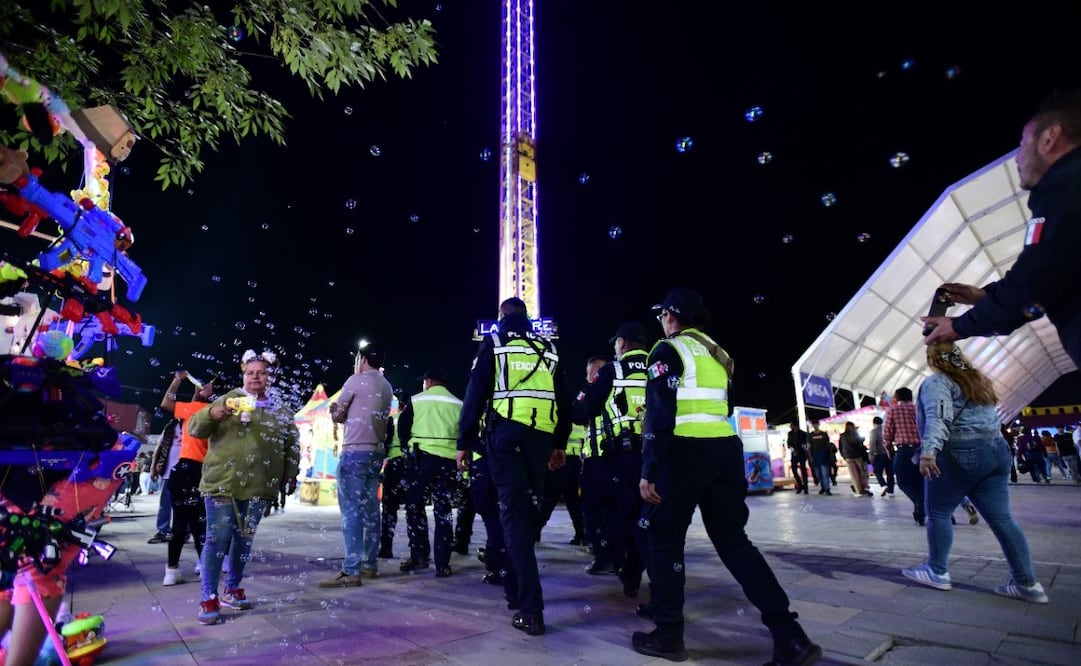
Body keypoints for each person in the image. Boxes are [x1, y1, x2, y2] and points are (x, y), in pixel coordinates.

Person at [633, 288, 820, 665]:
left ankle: (669, 635)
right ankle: (790, 637)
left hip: (683, 453)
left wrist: (650, 469)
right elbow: (725, 407)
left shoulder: (668, 350)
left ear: (671, 315)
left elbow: (659, 413)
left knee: (665, 540)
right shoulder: (719, 354)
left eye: (662, 316)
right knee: (735, 543)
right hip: (724, 452)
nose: (661, 322)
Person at [922, 89, 1081, 369]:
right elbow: (1055, 273)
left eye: (1022, 143)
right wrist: (984, 296)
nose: (1018, 158)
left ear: (1049, 137)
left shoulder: (1067, 187)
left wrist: (958, 326)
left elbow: (1033, 284)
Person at [456, 297, 572, 637]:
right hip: (538, 441)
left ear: (502, 317)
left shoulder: (494, 343)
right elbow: (563, 401)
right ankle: (514, 590)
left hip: (506, 437)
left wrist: (463, 443)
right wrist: (559, 444)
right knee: (524, 512)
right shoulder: (547, 347)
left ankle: (530, 608)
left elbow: (475, 394)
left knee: (513, 516)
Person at [901, 342, 1048, 604]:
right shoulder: (978, 380)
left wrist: (928, 452)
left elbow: (939, 417)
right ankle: (1028, 583)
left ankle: (936, 570)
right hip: (996, 451)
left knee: (938, 512)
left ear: (934, 359)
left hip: (960, 450)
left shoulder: (938, 382)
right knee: (1003, 519)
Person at [187, 350, 300, 625]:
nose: (256, 377)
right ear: (243, 375)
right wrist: (213, 413)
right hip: (222, 483)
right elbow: (194, 428)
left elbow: (291, 446)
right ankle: (208, 596)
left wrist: (290, 473)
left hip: (259, 486)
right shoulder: (228, 400)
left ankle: (232, 588)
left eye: (262, 372)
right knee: (216, 539)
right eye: (250, 372)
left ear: (270, 377)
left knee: (243, 541)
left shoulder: (281, 411)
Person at [573, 321, 651, 599]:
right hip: (659, 456)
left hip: (623, 458)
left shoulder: (613, 371)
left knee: (624, 518)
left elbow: (582, 413)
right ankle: (642, 575)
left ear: (623, 343)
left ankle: (629, 574)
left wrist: (589, 388)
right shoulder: (660, 365)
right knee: (652, 519)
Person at [319, 343, 393, 587]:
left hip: (355, 452)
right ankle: (369, 564)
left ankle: (351, 570)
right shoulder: (387, 385)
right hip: (375, 454)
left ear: (362, 359)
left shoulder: (355, 380)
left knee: (351, 511)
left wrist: (333, 411)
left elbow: (340, 415)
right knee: (372, 509)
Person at [397, 366, 462, 578]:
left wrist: (408, 447)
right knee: (443, 511)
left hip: (421, 461)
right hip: (449, 463)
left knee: (415, 508)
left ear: (429, 381)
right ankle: (443, 564)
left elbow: (403, 429)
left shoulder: (417, 400)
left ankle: (419, 556)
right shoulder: (458, 403)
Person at [158, 370, 216, 586]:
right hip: (204, 472)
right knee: (201, 522)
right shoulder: (214, 412)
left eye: (206, 385)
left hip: (183, 471)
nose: (202, 386)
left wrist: (177, 380)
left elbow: (166, 403)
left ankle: (171, 572)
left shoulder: (192, 410)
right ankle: (204, 566)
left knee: (179, 524)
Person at [572, 356, 618, 575]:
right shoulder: (590, 391)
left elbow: (579, 413)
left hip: (606, 456)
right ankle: (608, 554)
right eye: (590, 372)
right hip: (602, 457)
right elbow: (576, 414)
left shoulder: (607, 387)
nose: (592, 376)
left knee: (600, 509)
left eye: (596, 371)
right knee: (602, 510)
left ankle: (607, 555)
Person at [883, 387, 925, 525]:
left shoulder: (893, 410)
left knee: (903, 482)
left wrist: (889, 449)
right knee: (919, 483)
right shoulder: (919, 409)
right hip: (922, 451)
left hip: (905, 451)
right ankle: (920, 514)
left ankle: (922, 505)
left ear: (896, 397)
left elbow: (887, 433)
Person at [379, 388, 410, 560]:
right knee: (413, 509)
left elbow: (385, 443)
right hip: (410, 466)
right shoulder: (415, 420)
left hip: (393, 466)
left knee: (389, 510)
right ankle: (417, 551)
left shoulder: (393, 420)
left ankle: (386, 548)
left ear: (399, 406)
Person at [839, 421, 872, 497]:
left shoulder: (842, 436)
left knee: (854, 475)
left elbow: (841, 447)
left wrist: (844, 456)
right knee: (862, 473)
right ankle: (865, 488)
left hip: (848, 458)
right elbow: (860, 445)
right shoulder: (856, 434)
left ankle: (858, 491)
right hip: (858, 457)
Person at [868, 415, 895, 496]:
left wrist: (871, 455)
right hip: (889, 453)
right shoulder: (887, 430)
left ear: (874, 423)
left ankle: (883, 485)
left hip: (878, 455)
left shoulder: (874, 431)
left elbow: (872, 444)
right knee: (890, 473)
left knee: (877, 472)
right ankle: (891, 491)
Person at [807, 420, 833, 496]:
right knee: (818, 473)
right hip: (815, 456)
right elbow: (809, 447)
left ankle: (827, 488)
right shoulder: (810, 435)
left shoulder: (824, 434)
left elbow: (828, 445)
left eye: (816, 424)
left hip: (824, 455)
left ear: (818, 425)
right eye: (814, 424)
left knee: (825, 473)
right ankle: (823, 487)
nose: (815, 426)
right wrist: (810, 456)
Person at [786, 421, 810, 494]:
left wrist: (804, 450)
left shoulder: (803, 433)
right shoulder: (790, 433)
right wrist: (793, 450)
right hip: (794, 454)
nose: (791, 427)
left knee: (803, 470)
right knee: (794, 470)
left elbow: (806, 444)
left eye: (791, 425)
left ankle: (805, 487)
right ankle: (800, 485)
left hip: (802, 453)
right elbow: (788, 443)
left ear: (795, 425)